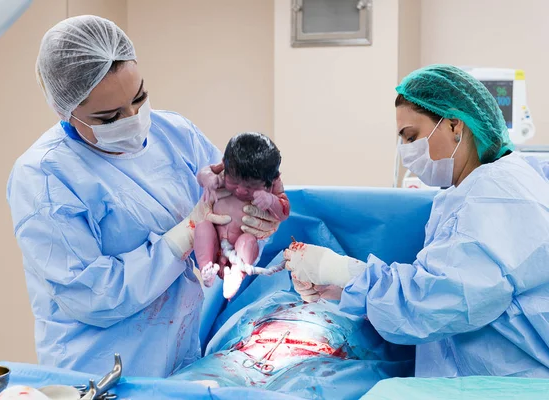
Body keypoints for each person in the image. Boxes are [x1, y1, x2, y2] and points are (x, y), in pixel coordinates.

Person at [7, 15, 279, 377]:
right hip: (101, 371)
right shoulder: (43, 177)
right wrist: (181, 238)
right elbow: (93, 297)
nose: (134, 118)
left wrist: (257, 215)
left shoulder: (175, 133)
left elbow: (228, 200)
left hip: (180, 353)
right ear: (65, 111)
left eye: (139, 98)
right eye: (109, 117)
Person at [283, 64, 549, 378]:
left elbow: (434, 303)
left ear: (454, 126)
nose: (407, 151)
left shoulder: (494, 197)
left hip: (509, 383)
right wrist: (344, 289)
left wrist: (340, 270)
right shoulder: (476, 187)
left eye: (412, 136)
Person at [169, 290, 413, 400]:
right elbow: (227, 338)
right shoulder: (277, 298)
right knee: (184, 389)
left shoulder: (366, 308)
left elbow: (391, 358)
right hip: (246, 350)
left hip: (323, 359)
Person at [196, 132, 290, 299]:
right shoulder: (228, 166)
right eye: (234, 181)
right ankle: (206, 267)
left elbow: (284, 211)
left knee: (247, 241)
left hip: (243, 236)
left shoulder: (274, 182)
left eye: (250, 187)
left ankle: (238, 272)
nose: (240, 190)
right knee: (202, 226)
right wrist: (208, 178)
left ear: (271, 179)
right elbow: (203, 173)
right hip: (215, 234)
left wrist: (271, 201)